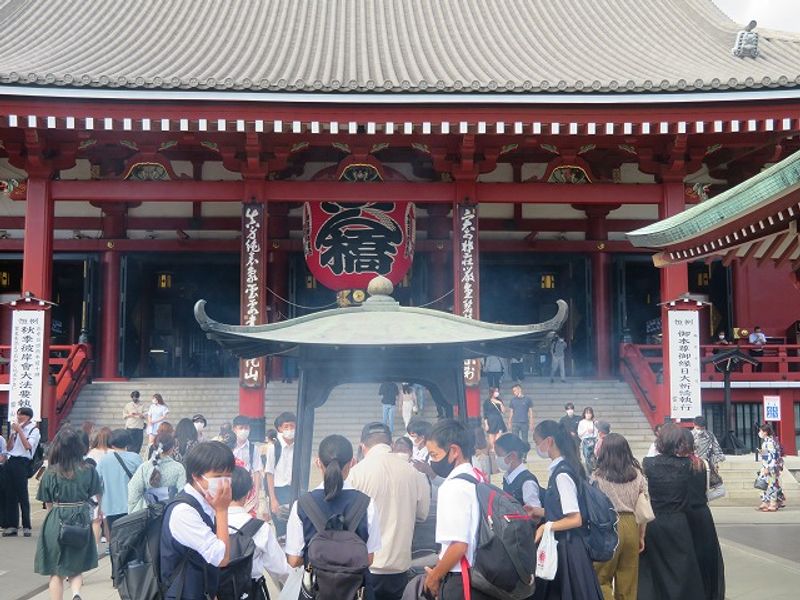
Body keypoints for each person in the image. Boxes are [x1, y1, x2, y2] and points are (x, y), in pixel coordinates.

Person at [285, 434, 381, 594]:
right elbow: (369, 559)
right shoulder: (367, 503)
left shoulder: (302, 504)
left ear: (318, 462)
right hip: (356, 591)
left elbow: (294, 561)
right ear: (352, 463)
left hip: (317, 591)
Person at [349, 422, 430, 600]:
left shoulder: (355, 474)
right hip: (399, 567)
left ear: (363, 446)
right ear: (392, 445)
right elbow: (423, 514)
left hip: (366, 566)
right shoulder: (414, 473)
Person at [532, 420, 603, 600]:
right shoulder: (566, 467)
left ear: (549, 442)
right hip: (568, 545)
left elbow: (574, 518)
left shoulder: (562, 474)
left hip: (568, 549)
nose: (537, 447)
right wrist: (539, 512)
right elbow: (562, 510)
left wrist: (544, 527)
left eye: (537, 442)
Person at [423, 419, 490, 600]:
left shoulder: (453, 487)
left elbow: (459, 545)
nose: (432, 461)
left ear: (454, 451)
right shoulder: (477, 478)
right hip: (481, 574)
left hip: (461, 578)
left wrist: (434, 577)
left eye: (434, 455)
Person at [34, 426, 103, 600]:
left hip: (56, 517)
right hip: (80, 516)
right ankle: (76, 593)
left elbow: (47, 501)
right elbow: (97, 494)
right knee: (76, 564)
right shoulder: (88, 470)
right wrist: (98, 511)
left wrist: (53, 514)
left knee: (55, 570)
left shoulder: (50, 473)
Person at [161, 441, 235, 600]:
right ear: (196, 476)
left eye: (228, 476)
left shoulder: (205, 501)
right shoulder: (184, 511)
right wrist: (222, 510)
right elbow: (221, 558)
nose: (224, 483)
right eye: (217, 477)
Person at [638, 424, 704, 600]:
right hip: (678, 521)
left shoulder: (648, 463)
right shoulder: (686, 465)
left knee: (654, 569)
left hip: (655, 521)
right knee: (681, 569)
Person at [591, 433, 648, 600]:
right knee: (628, 581)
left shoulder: (597, 476)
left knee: (602, 577)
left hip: (607, 525)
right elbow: (643, 505)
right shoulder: (637, 474)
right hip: (631, 524)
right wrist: (641, 535)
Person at [228, 467, 289, 593]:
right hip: (250, 591)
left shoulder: (209, 523)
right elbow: (280, 569)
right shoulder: (260, 528)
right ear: (248, 493)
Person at [680, 429, 725, 600]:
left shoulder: (676, 465)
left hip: (683, 514)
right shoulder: (704, 464)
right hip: (702, 514)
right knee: (705, 556)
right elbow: (720, 490)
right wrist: (703, 496)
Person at [95, 429, 142, 541]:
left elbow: (97, 484)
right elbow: (142, 481)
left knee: (115, 542)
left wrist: (100, 505)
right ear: (127, 442)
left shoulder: (104, 460)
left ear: (112, 443)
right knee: (131, 541)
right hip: (132, 506)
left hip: (111, 506)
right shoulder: (135, 458)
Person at [3, 406, 41, 537]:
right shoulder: (16, 429)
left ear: (28, 417)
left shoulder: (34, 430)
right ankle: (11, 525)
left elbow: (27, 446)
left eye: (22, 416)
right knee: (10, 494)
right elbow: (9, 448)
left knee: (22, 494)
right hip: (11, 461)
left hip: (22, 462)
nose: (19, 418)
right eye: (18, 415)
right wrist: (13, 434)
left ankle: (26, 525)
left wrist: (20, 431)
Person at [128, 432, 186, 513]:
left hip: (148, 512)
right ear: (171, 449)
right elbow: (182, 493)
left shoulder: (145, 467)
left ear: (154, 446)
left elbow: (133, 489)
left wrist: (133, 510)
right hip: (169, 512)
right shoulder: (178, 468)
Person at [495, 433, 543, 519]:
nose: (497, 459)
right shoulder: (508, 477)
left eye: (499, 455)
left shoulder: (527, 482)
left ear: (512, 456)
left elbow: (535, 515)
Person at [265, 411, 296, 538]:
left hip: (293, 490)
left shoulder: (299, 446)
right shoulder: (274, 447)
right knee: (281, 529)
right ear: (280, 428)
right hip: (278, 491)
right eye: (286, 427)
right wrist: (273, 499)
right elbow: (269, 473)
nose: (289, 430)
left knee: (294, 526)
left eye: (292, 426)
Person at [231, 415, 263, 517]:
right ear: (234, 429)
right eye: (241, 428)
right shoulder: (229, 447)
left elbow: (257, 471)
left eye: (246, 428)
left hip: (248, 490)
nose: (244, 431)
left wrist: (256, 495)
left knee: (249, 517)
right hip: (231, 488)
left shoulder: (253, 449)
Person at [87, 427, 112, 547]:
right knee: (108, 520)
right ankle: (109, 546)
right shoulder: (114, 452)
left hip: (95, 487)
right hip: (111, 488)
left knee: (96, 520)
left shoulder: (91, 453)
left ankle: (95, 547)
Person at [692, 416, 725, 489]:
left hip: (706, 466)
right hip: (692, 466)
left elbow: (718, 452)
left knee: (719, 489)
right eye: (698, 429)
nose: (700, 431)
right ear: (693, 425)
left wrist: (714, 461)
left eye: (702, 428)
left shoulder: (710, 436)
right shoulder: (689, 435)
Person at [757, 423, 783, 512]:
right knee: (765, 484)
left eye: (760, 431)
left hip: (770, 467)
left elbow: (773, 456)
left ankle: (772, 503)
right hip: (766, 466)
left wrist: (768, 467)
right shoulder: (767, 441)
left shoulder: (770, 442)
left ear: (765, 432)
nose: (759, 432)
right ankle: (766, 501)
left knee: (771, 485)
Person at [577, 407, 598, 473]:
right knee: (587, 457)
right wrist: (586, 430)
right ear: (584, 414)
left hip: (593, 440)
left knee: (594, 457)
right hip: (585, 440)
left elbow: (597, 432)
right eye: (587, 413)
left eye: (590, 413)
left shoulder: (594, 422)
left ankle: (595, 471)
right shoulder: (581, 422)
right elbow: (579, 434)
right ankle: (589, 473)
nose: (588, 415)